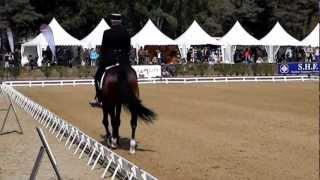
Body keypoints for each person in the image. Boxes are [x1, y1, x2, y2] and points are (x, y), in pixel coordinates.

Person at [90, 13, 131, 107]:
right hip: (123, 60)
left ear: (111, 21)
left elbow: (103, 49)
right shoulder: (126, 32)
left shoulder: (107, 32)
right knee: (131, 75)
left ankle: (99, 99)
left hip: (109, 60)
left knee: (97, 76)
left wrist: (102, 60)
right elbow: (128, 48)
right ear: (120, 21)